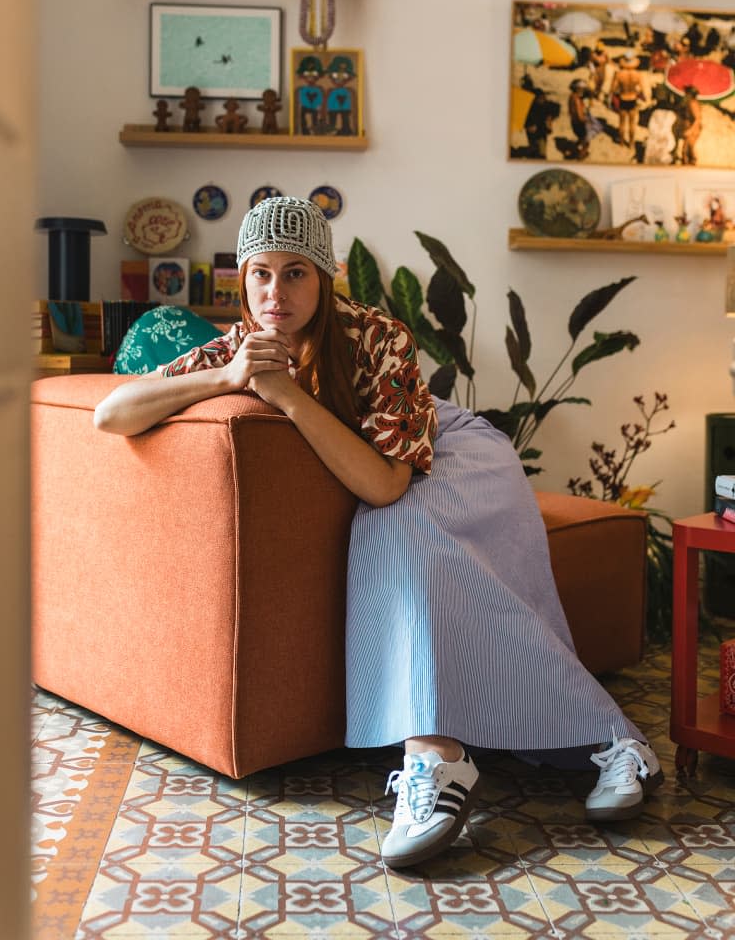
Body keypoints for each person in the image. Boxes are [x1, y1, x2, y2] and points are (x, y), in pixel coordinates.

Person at [94, 196, 663, 871]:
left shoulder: (377, 335)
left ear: (326, 274)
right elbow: (111, 412)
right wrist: (227, 375)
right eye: (261, 273)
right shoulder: (238, 346)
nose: (276, 292)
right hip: (379, 466)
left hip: (455, 455)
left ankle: (439, 761)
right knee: (417, 550)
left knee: (392, 531)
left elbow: (387, 484)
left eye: (297, 272)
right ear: (242, 278)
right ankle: (604, 743)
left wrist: (285, 396)